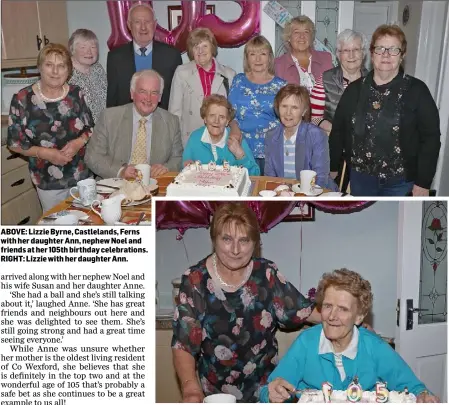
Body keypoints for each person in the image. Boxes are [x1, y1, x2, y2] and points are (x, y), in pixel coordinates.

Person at [172, 202, 321, 403]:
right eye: (227, 239)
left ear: (255, 243)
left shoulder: (266, 273)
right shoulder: (195, 280)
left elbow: (302, 310)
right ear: (214, 239)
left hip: (267, 393)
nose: (235, 249)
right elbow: (184, 344)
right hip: (217, 396)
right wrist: (191, 389)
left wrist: (346, 320)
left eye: (244, 240)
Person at [260, 269, 439, 403]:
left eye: (343, 309)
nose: (332, 316)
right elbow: (267, 391)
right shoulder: (306, 343)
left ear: (359, 316)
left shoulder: (374, 347)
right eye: (328, 306)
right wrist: (272, 393)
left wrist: (423, 396)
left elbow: (415, 388)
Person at [329, 24, 441, 197]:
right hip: (360, 179)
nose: (386, 55)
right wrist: (333, 167)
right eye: (380, 48)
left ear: (402, 55)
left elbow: (431, 138)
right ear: (372, 54)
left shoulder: (417, 90)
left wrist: (423, 183)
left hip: (400, 182)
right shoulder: (354, 90)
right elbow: (338, 130)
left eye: (393, 49)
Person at [7, 43, 94, 212]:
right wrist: (44, 153)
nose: (55, 72)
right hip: (48, 181)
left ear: (69, 71)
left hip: (82, 175)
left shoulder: (77, 94)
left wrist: (78, 143)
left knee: (88, 223)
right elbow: (14, 142)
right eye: (49, 65)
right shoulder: (22, 99)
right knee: (58, 227)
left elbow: (90, 128)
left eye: (61, 66)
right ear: (40, 67)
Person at [86, 69, 182, 180]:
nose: (148, 98)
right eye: (143, 91)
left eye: (154, 93)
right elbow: (93, 156)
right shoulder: (109, 117)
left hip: (153, 185)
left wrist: (166, 168)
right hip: (115, 184)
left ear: (160, 97)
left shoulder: (171, 122)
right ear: (132, 94)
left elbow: (177, 158)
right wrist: (121, 171)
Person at [311, 29, 369, 192]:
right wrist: (339, 131)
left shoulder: (374, 82)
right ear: (338, 54)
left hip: (363, 155)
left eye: (356, 50)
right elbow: (314, 118)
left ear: (363, 53)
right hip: (330, 150)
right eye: (345, 50)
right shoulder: (325, 79)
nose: (351, 55)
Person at [228, 35, 287, 175]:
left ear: (270, 57)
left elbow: (288, 119)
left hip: (272, 149)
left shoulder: (281, 85)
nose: (258, 59)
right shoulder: (238, 81)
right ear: (247, 58)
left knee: (268, 192)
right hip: (241, 147)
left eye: (263, 54)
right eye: (252, 54)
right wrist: (234, 128)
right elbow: (228, 112)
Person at [106, 3, 182, 110]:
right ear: (129, 25)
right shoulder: (115, 57)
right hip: (127, 123)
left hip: (162, 122)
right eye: (137, 22)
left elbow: (178, 98)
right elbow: (112, 100)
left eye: (147, 22)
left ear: (155, 24)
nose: (143, 27)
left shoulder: (172, 55)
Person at [169, 28, 236, 147]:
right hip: (190, 141)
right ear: (191, 51)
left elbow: (232, 113)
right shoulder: (181, 73)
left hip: (220, 140)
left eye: (204, 46)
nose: (200, 51)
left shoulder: (229, 75)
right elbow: (174, 113)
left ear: (212, 48)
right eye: (196, 47)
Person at [264, 84, 337, 190]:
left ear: (303, 111)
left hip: (315, 194)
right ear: (277, 108)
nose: (288, 113)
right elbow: (270, 177)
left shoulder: (317, 135)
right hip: (285, 194)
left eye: (294, 107)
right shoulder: (271, 136)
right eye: (284, 106)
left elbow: (321, 178)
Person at [182, 95, 260, 175]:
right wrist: (187, 167)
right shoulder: (195, 138)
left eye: (222, 117)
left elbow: (255, 175)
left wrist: (240, 156)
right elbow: (184, 170)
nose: (216, 121)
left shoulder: (237, 139)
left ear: (227, 121)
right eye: (212, 116)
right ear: (205, 118)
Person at [275, 16, 333, 93]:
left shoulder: (326, 59)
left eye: (306, 32)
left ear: (311, 37)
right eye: (296, 32)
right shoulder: (278, 64)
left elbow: (333, 93)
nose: (302, 36)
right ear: (289, 37)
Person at [68, 29, 107, 124]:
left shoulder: (98, 68)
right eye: (83, 47)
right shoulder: (66, 73)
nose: (89, 52)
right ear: (72, 49)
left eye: (93, 47)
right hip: (81, 132)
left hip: (104, 128)